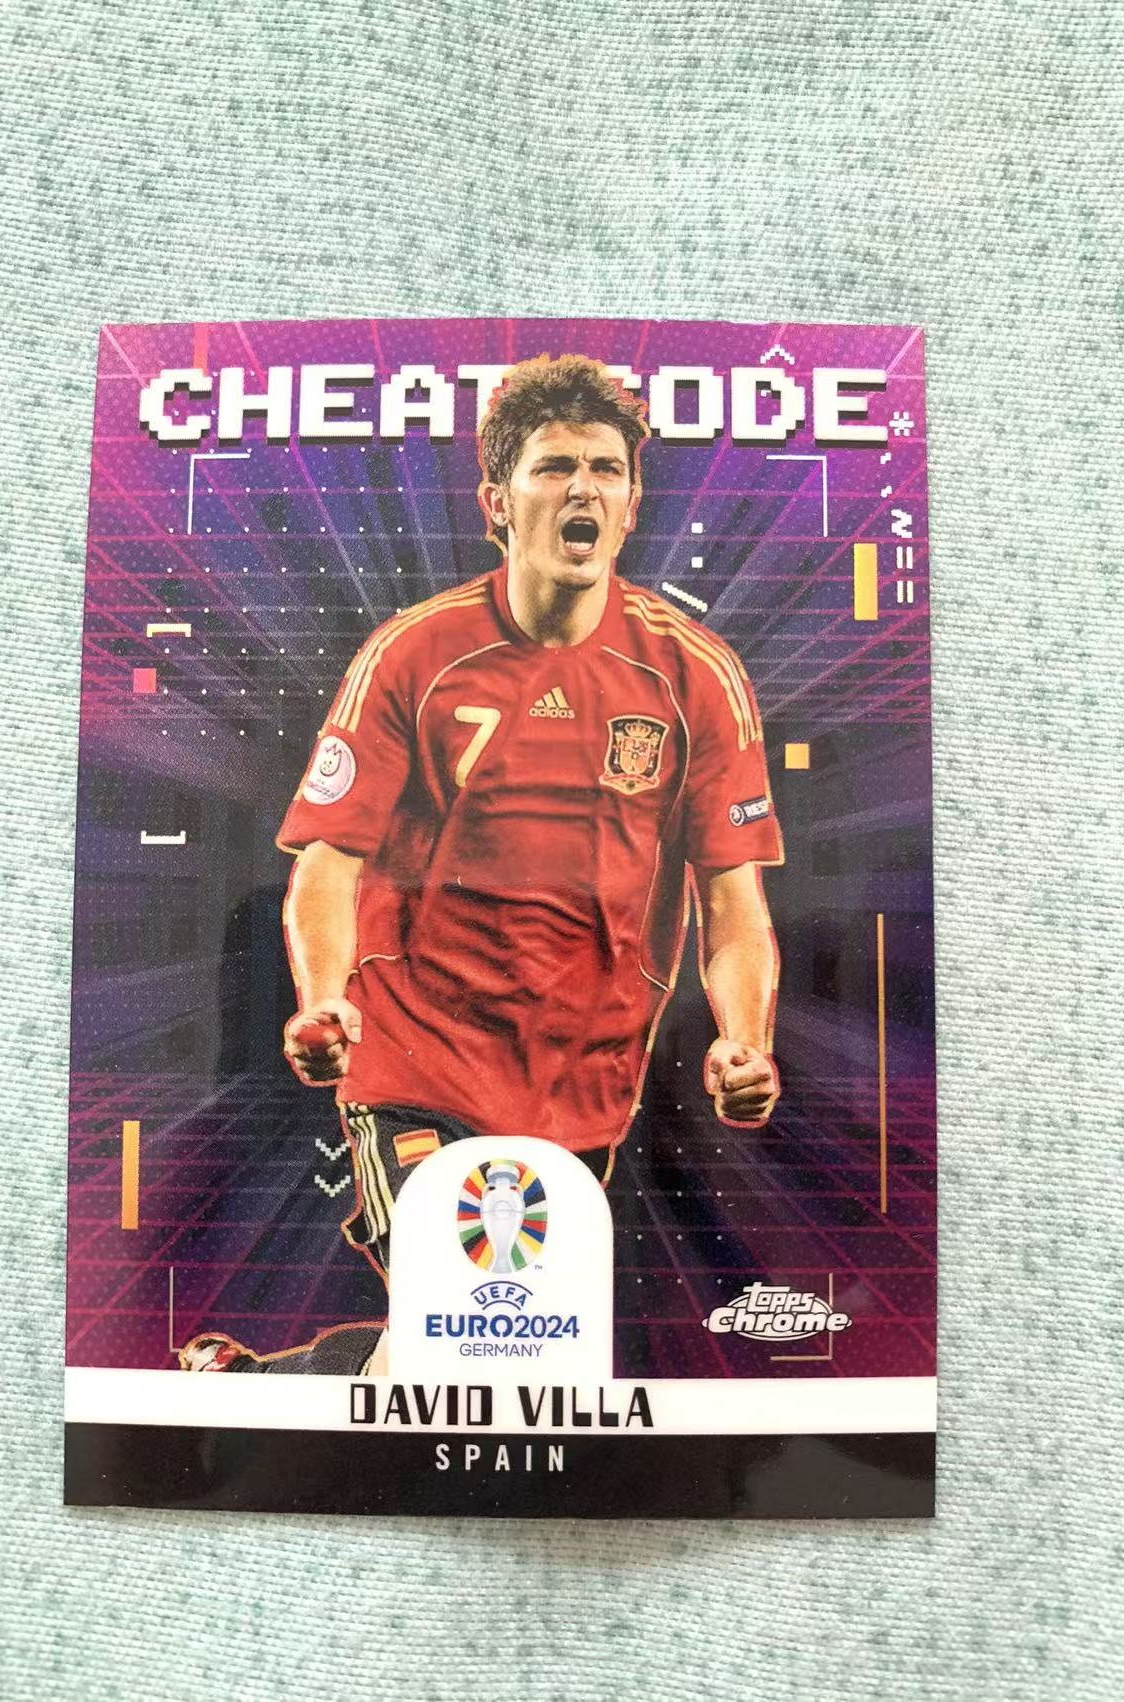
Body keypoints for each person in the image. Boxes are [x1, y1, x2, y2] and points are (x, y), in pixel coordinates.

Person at [181, 354, 783, 1375]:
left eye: (605, 469)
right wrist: (323, 1001)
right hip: (417, 1055)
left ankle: (261, 1386)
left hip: (583, 1089)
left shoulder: (695, 677)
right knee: (461, 1305)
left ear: (631, 504)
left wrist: (745, 1042)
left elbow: (735, 909)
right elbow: (327, 865)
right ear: (499, 502)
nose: (583, 488)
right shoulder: (415, 655)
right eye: (554, 468)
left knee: (488, 1350)